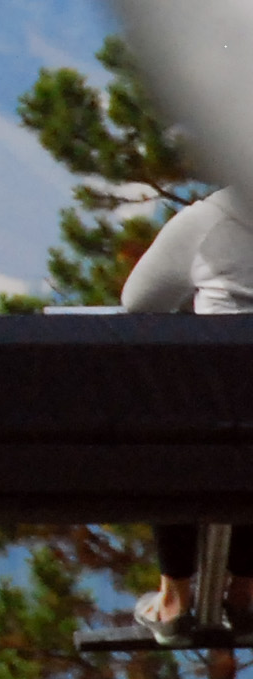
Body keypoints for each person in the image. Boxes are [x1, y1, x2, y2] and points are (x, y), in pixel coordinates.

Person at [120, 185, 253, 636]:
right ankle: (246, 590)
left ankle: (175, 597)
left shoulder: (209, 220)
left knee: (173, 419)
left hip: (208, 440)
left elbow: (139, 303)